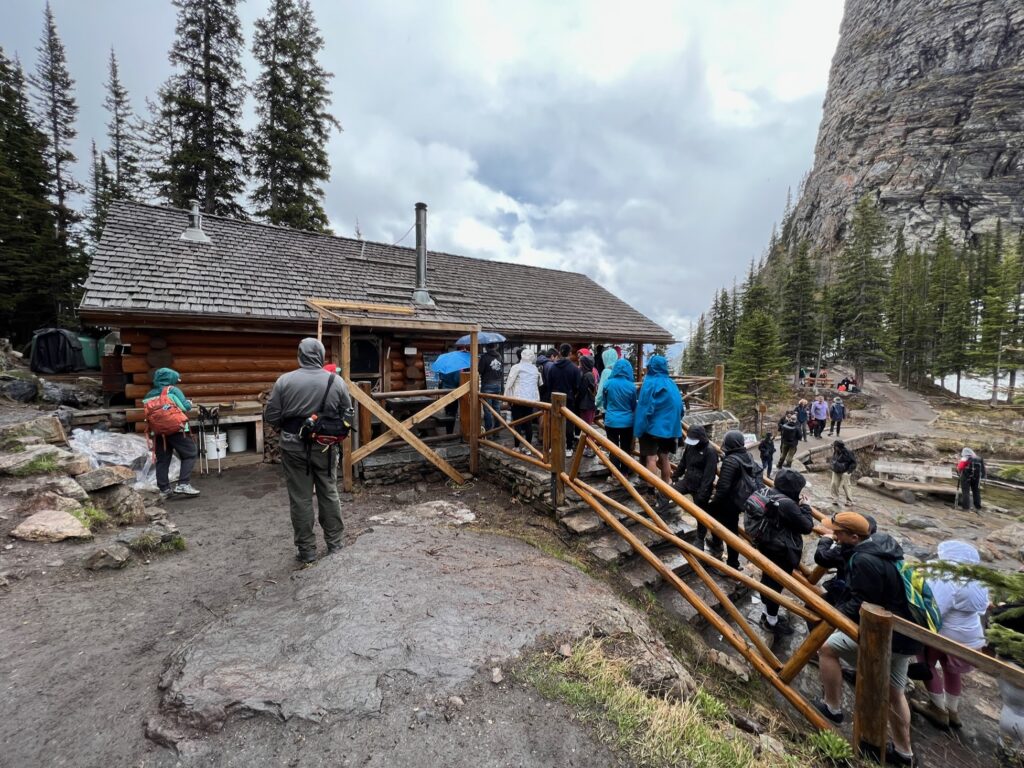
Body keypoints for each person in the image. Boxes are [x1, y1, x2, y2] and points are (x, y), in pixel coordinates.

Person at [815, 512, 920, 766]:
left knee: (827, 648)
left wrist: (833, 616)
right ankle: (904, 753)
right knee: (895, 692)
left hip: (886, 635)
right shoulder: (882, 546)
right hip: (906, 633)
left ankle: (833, 707)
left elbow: (861, 602)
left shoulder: (864, 560)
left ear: (854, 536)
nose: (835, 536)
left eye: (839, 533)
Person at [264, 338, 353, 564]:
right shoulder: (336, 381)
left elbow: (271, 416)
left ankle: (307, 551)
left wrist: (286, 427)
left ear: (300, 355)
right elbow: (348, 413)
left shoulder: (284, 382)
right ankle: (335, 544)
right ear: (322, 356)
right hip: (326, 446)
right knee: (329, 492)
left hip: (293, 446)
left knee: (300, 498)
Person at [912, 540, 989, 730]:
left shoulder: (947, 575)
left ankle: (937, 708)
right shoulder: (977, 578)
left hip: (946, 633)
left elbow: (937, 607)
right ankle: (952, 711)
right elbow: (983, 607)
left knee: (927, 664)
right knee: (951, 670)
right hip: (971, 635)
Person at [754, 468, 814, 635]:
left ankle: (766, 614)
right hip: (780, 551)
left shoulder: (768, 492)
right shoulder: (787, 504)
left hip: (766, 543)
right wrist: (806, 508)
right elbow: (807, 527)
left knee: (767, 579)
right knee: (775, 586)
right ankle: (771, 622)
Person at [144, 367, 200, 501]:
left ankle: (164, 489)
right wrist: (189, 403)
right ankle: (183, 484)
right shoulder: (172, 390)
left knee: (163, 460)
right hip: (177, 429)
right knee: (190, 454)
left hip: (158, 432)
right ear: (171, 379)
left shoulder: (149, 395)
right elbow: (185, 407)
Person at [707, 429, 760, 569]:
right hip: (740, 500)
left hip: (729, 502)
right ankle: (717, 544)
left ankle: (732, 563)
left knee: (729, 532)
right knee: (729, 527)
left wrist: (714, 501)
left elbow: (723, 487)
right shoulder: (747, 455)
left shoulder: (730, 461)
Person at [633, 354, 683, 487]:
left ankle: (651, 490)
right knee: (665, 457)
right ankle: (666, 487)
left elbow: (644, 408)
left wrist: (639, 429)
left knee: (651, 459)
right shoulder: (672, 384)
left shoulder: (650, 383)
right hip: (670, 429)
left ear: (651, 367)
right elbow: (680, 407)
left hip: (653, 429)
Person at [814, 513, 878, 607]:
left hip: (847, 599)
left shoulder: (848, 550)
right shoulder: (874, 544)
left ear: (855, 537)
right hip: (859, 599)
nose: (834, 533)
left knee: (813, 607)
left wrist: (826, 539)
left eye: (837, 531)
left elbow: (822, 558)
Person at [671, 425, 718, 548]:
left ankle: (700, 538)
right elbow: (683, 463)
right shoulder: (690, 446)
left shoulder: (710, 451)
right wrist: (676, 475)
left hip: (701, 487)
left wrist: (703, 493)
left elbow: (709, 475)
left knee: (700, 515)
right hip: (687, 481)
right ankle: (664, 514)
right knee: (667, 492)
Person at [597, 357, 637, 474]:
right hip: (627, 422)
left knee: (613, 448)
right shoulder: (631, 386)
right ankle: (625, 473)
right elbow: (633, 405)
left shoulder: (608, 383)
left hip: (611, 420)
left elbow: (604, 403)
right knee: (625, 448)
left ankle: (615, 474)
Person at [546, 343, 582, 456]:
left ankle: (554, 446)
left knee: (554, 421)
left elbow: (549, 384)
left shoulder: (552, 367)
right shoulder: (574, 368)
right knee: (569, 423)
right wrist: (572, 393)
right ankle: (569, 448)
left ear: (559, 353)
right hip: (569, 398)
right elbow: (577, 386)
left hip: (555, 397)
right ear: (570, 353)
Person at [504, 348, 541, 450]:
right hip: (530, 400)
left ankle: (517, 446)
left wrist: (506, 398)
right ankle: (528, 448)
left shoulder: (516, 367)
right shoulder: (534, 369)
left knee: (517, 423)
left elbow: (509, 383)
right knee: (528, 423)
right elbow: (539, 383)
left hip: (518, 399)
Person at [437, 346, 468, 435]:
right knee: (453, 412)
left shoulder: (444, 366)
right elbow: (457, 381)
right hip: (454, 392)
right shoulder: (456, 368)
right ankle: (452, 433)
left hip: (445, 390)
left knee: (448, 411)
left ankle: (449, 432)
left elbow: (441, 378)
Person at [479, 342, 504, 431]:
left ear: (486, 347)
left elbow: (480, 370)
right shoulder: (499, 357)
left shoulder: (484, 357)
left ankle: (488, 430)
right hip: (497, 385)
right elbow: (501, 371)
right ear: (495, 346)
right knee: (497, 408)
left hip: (487, 385)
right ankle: (497, 430)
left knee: (487, 409)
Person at [829, 439, 857, 506]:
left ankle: (849, 501)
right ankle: (835, 498)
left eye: (835, 446)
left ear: (838, 447)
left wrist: (848, 471)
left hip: (845, 471)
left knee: (846, 485)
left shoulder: (848, 453)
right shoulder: (835, 451)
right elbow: (833, 459)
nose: (834, 448)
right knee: (834, 484)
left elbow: (854, 463)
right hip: (836, 470)